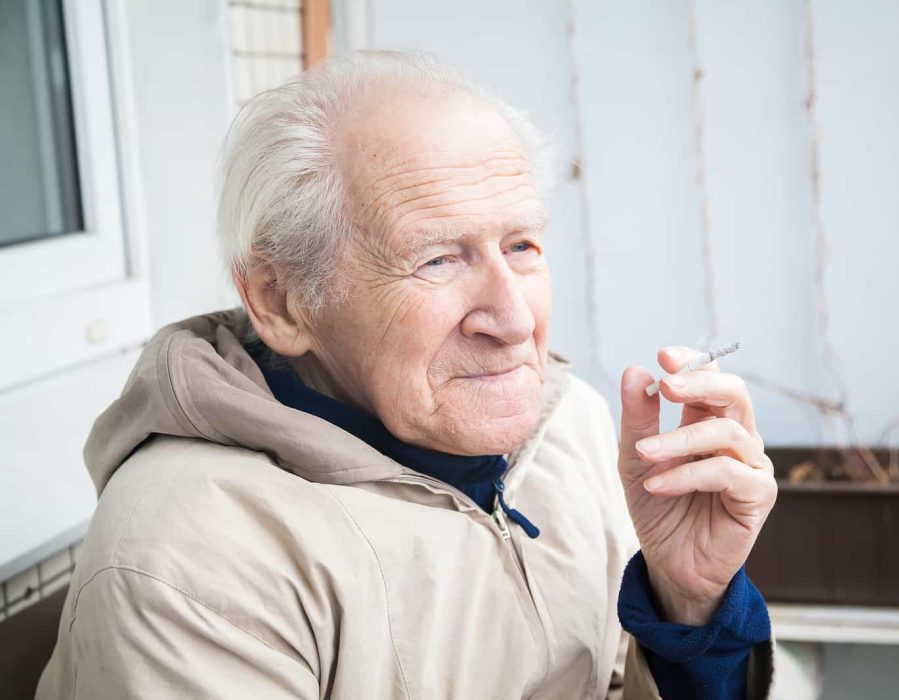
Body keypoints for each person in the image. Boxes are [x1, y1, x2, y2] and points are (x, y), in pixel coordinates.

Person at [37, 51, 777, 699]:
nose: (514, 320)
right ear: (281, 300)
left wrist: (690, 606)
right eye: (437, 258)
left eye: (520, 245)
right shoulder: (191, 554)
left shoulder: (568, 426)